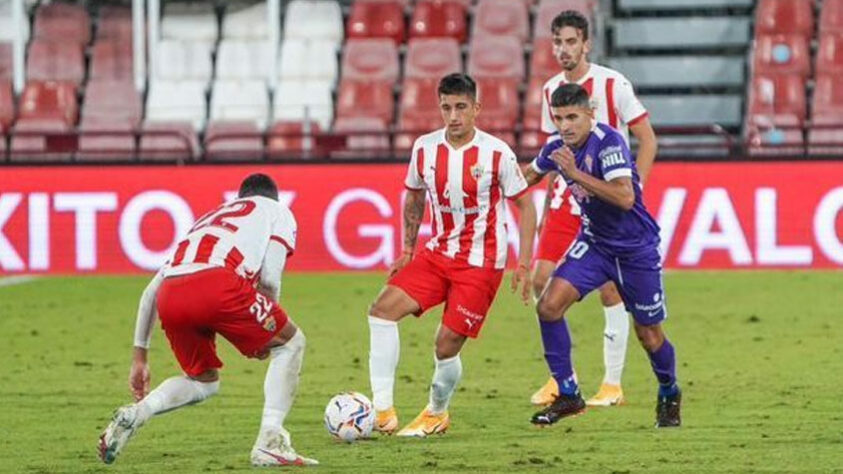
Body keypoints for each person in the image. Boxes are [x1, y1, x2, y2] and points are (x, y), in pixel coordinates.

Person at [97, 173, 318, 466]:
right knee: (291, 344)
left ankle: (137, 412)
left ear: (240, 197)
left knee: (204, 382)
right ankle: (270, 441)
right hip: (218, 284)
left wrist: (140, 358)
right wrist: (267, 326)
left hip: (172, 293)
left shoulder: (210, 218)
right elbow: (269, 276)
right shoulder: (278, 211)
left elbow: (150, 293)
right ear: (272, 196)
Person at [367, 73, 537, 437]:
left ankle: (436, 412)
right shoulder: (425, 148)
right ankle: (382, 412)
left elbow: (525, 204)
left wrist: (524, 262)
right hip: (437, 254)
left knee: (446, 345)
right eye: (446, 107)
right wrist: (408, 248)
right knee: (381, 311)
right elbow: (413, 194)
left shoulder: (496, 153)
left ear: (476, 108)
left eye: (461, 107)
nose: (453, 115)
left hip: (481, 263)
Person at [522, 84, 680, 428]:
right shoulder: (557, 148)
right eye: (559, 118)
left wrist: (575, 174)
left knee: (649, 334)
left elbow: (624, 197)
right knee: (548, 306)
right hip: (596, 244)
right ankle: (569, 394)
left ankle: (669, 390)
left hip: (636, 248)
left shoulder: (609, 142)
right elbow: (527, 177)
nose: (565, 125)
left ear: (590, 114)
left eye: (573, 117)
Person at [529, 9, 660, 407]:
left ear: (586, 43)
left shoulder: (612, 83)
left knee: (609, 289)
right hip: (565, 199)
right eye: (558, 42)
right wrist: (548, 207)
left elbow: (648, 139)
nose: (564, 50)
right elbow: (551, 155)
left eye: (571, 42)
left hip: (606, 198)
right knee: (541, 279)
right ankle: (560, 379)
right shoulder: (551, 90)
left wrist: (632, 190)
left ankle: (612, 383)